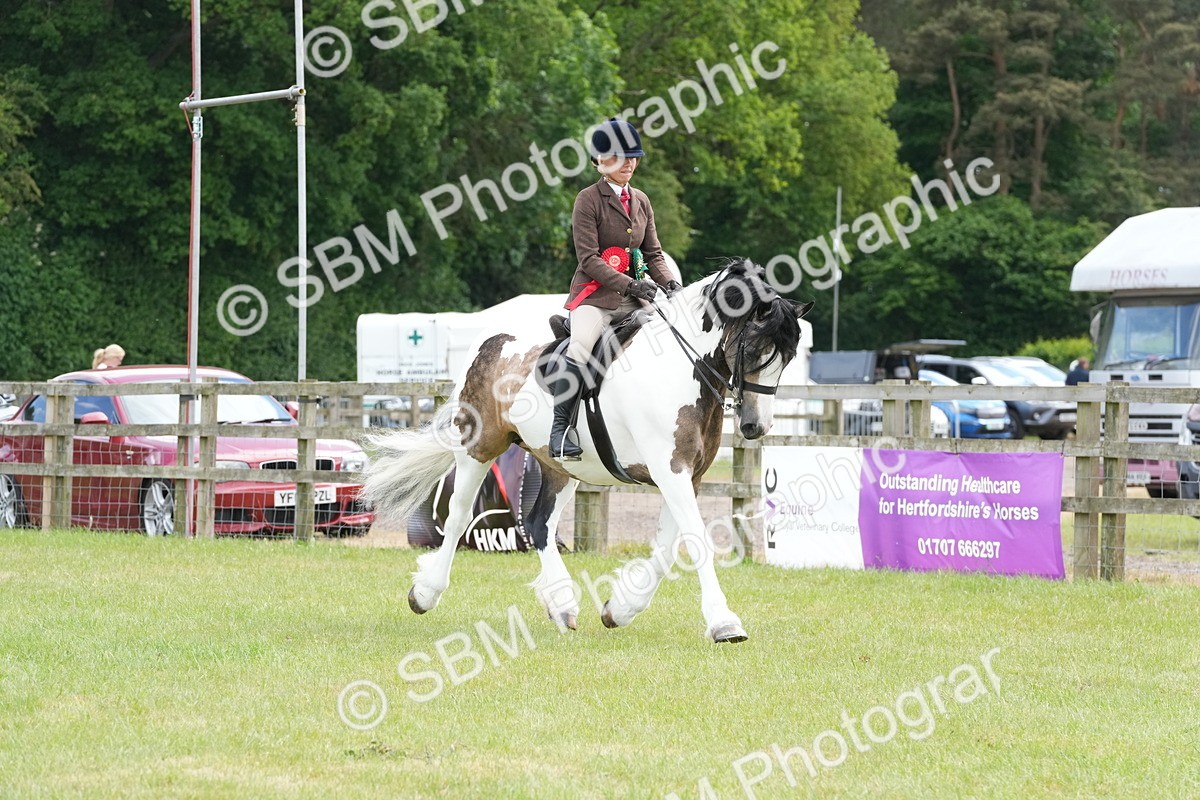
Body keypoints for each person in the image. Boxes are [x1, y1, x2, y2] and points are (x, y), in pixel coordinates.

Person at [548, 118, 682, 461]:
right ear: (599, 161)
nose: (629, 163)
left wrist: (670, 284)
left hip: (635, 299)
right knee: (579, 348)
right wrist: (631, 283)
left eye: (633, 157)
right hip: (595, 296)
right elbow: (589, 259)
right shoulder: (587, 200)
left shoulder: (641, 200)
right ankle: (561, 431)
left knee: (670, 338)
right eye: (621, 157)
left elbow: (653, 253)